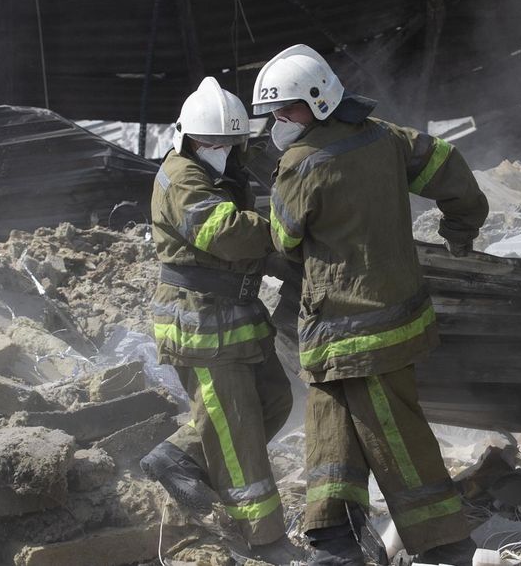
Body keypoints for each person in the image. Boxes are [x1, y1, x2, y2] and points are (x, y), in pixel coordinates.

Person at [252, 44, 489, 566]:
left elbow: (286, 239)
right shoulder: (385, 136)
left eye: (286, 108)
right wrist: (461, 225)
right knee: (329, 423)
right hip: (378, 320)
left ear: (317, 103)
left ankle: (446, 542)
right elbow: (447, 164)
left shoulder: (298, 164)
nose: (277, 119)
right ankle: (334, 539)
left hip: (353, 326)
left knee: (392, 432)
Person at [139, 77, 300, 563]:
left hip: (233, 318)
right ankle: (267, 539)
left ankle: (176, 456)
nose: (223, 151)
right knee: (238, 433)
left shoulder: (221, 173)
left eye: (231, 143)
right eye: (213, 142)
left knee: (273, 400)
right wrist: (289, 223)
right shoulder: (182, 177)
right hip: (200, 324)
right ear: (188, 138)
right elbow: (226, 234)